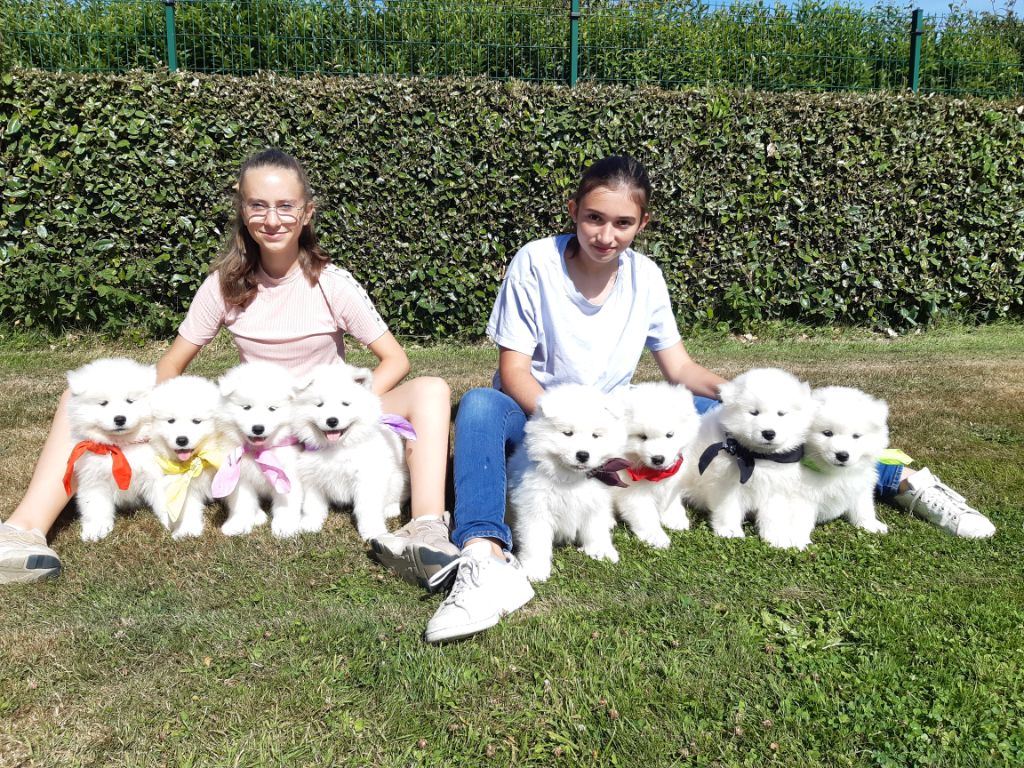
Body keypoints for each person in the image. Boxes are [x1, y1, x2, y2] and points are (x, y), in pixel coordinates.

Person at [371, 154, 997, 644]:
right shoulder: (534, 263)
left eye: (622, 223)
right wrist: (574, 432)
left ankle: (901, 481)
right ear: (573, 211)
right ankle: (482, 554)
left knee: (768, 427)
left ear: (642, 225)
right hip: (548, 415)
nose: (606, 234)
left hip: (624, 418)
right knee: (478, 406)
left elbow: (679, 366)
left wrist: (737, 394)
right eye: (594, 218)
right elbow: (513, 373)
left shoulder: (647, 277)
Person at [0, 148, 458, 584]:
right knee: (76, 396)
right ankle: (25, 529)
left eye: (285, 206)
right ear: (242, 210)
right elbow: (173, 365)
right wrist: (140, 417)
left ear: (307, 212)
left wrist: (342, 410)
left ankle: (426, 525)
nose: (272, 218)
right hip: (255, 419)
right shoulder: (223, 284)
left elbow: (395, 359)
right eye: (258, 205)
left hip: (317, 415)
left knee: (432, 388)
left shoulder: (332, 283)